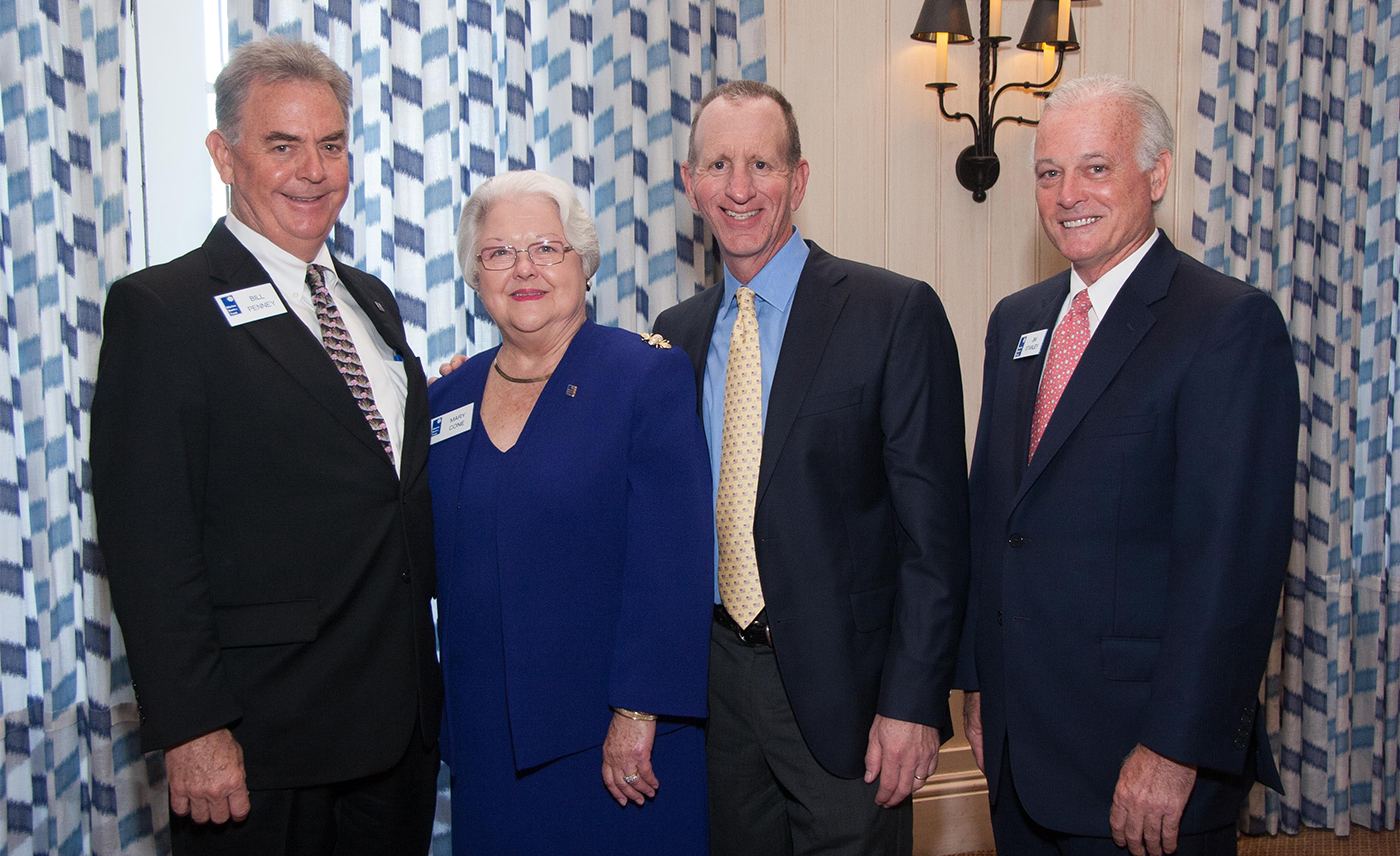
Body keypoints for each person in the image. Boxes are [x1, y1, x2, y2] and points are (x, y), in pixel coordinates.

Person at [90, 39, 442, 855]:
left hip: (397, 736)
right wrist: (193, 728)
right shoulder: (164, 311)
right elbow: (150, 543)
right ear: (224, 154)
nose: (312, 170)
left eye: (331, 144)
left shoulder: (372, 303)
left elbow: (380, 485)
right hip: (259, 747)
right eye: (282, 145)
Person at [958, 74, 1300, 856]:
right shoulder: (1018, 321)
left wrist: (1178, 747)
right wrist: (978, 684)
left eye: (1095, 168)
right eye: (1049, 173)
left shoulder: (1226, 325)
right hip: (1021, 754)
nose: (1067, 193)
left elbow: (1233, 567)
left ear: (1157, 174)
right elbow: (994, 515)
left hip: (1142, 768)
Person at [652, 80, 971, 855]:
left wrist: (912, 704)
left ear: (798, 179)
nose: (739, 188)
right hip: (717, 693)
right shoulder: (674, 336)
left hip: (851, 701)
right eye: (718, 165)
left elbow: (937, 537)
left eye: (761, 164)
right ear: (689, 185)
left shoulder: (893, 312)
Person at [429, 169, 713, 854]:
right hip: (486, 746)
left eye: (546, 249)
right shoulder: (444, 399)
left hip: (613, 745)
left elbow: (673, 561)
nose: (523, 268)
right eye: (499, 252)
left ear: (583, 263)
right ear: (475, 273)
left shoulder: (644, 374)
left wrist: (638, 709)